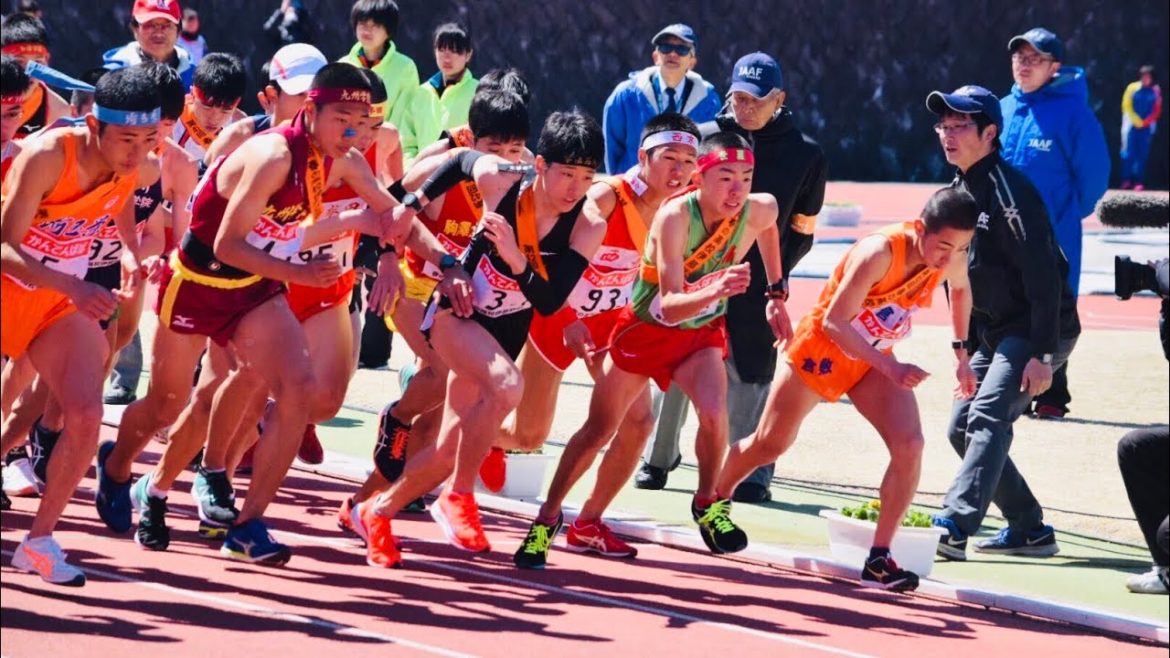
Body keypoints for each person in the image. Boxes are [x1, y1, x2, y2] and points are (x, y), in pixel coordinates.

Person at [95, 63, 412, 564]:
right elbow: (227, 244)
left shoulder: (345, 158)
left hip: (255, 289)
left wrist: (439, 255)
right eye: (342, 120)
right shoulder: (270, 155)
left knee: (299, 386)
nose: (352, 133)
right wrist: (304, 273)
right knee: (169, 403)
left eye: (362, 121)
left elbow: (392, 212)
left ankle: (248, 522)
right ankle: (117, 469)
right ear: (310, 110)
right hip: (200, 280)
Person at [513, 131, 794, 569]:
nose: (737, 189)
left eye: (746, 176)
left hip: (699, 335)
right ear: (700, 178)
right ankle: (547, 520)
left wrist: (775, 292)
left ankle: (706, 503)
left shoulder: (760, 206)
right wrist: (718, 286)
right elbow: (669, 304)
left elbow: (769, 226)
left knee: (713, 413)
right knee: (596, 430)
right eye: (725, 177)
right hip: (645, 330)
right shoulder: (673, 217)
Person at [351, 110, 608, 569]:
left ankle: (375, 510)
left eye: (587, 177)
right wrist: (413, 203)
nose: (575, 188)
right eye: (567, 174)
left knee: (448, 450)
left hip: (506, 330)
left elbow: (549, 301)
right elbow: (457, 161)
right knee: (509, 385)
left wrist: (514, 258)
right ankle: (459, 497)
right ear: (541, 165)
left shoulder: (588, 223)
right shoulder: (503, 179)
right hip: (456, 311)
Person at [715, 188, 980, 591]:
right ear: (920, 229)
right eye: (943, 245)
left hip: (871, 358)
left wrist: (961, 353)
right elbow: (835, 324)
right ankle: (714, 499)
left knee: (910, 444)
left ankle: (879, 556)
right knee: (769, 444)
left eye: (961, 247)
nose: (949, 257)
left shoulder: (952, 255)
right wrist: (891, 366)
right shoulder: (879, 253)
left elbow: (959, 289)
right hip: (821, 352)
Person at [501, 113, 700, 564]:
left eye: (689, 161)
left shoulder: (684, 204)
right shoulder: (606, 197)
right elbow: (551, 252)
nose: (679, 170)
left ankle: (587, 522)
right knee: (528, 434)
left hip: (611, 325)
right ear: (643, 157)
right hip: (559, 319)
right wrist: (567, 315)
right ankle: (458, 437)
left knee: (637, 423)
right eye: (670, 158)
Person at [635, 52, 827, 501]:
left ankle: (752, 470)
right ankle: (658, 457)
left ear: (779, 99)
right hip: (693, 277)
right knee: (678, 360)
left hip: (757, 283)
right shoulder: (701, 140)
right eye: (738, 97)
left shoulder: (806, 155)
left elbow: (801, 228)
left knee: (753, 370)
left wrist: (770, 281)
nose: (745, 107)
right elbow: (672, 206)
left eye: (756, 100)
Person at [338, 88, 531, 529]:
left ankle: (366, 502)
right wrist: (383, 262)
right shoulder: (440, 167)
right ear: (470, 139)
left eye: (513, 149)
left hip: (464, 291)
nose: (502, 160)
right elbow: (385, 210)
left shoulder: (524, 173)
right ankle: (399, 414)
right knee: (444, 374)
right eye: (492, 149)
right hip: (415, 282)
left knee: (447, 400)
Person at [1, 65, 160, 584]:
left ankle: (39, 541)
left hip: (52, 301)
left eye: (148, 139)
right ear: (94, 126)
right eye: (127, 139)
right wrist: (74, 285)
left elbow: (117, 212)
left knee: (86, 413)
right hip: (12, 286)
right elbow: (4, 245)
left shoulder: (135, 167)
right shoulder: (48, 156)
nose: (138, 152)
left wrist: (132, 257)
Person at [925, 84, 1080, 562]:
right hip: (992, 333)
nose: (948, 136)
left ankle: (955, 524)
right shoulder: (955, 193)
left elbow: (1046, 277)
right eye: (943, 127)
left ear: (990, 133)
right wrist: (962, 351)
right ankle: (1030, 528)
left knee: (989, 414)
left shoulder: (1012, 192)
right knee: (960, 427)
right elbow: (957, 280)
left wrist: (1045, 356)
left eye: (960, 127)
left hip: (1036, 326)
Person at [1000, 27, 1108, 420]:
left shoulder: (1073, 114)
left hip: (1054, 234)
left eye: (1035, 59)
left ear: (1055, 67)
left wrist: (1061, 214)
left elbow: (1094, 176)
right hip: (1002, 234)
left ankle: (1052, 394)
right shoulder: (1003, 108)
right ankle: (1006, 385)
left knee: (1053, 306)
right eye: (1019, 58)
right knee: (1004, 303)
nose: (1024, 66)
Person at [602, 23, 720, 175]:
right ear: (656, 57)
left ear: (692, 62)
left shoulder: (709, 101)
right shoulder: (625, 95)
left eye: (682, 49)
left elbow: (710, 152)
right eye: (665, 47)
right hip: (633, 190)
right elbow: (611, 149)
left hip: (682, 192)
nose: (673, 54)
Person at [399, 21, 477, 165]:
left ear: (468, 54)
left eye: (454, 51)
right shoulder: (421, 93)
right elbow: (406, 143)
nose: (447, 58)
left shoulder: (479, 93)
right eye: (441, 50)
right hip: (421, 179)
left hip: (461, 180)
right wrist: (412, 169)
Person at [339, 0, 418, 132]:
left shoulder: (405, 68)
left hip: (387, 146)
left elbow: (404, 117)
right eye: (362, 23)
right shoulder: (341, 67)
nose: (367, 30)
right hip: (347, 147)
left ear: (388, 31)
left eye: (375, 25)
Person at [0, 12, 70, 136]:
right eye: (19, 62)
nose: (29, 71)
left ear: (47, 61)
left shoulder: (58, 112)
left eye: (37, 62)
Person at [104, 0, 195, 90]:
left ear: (178, 31)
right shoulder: (112, 76)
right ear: (134, 29)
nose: (159, 34)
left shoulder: (194, 76)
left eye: (166, 26)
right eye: (149, 25)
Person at [1120, 65, 1162, 191]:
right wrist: (1136, 120)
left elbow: (1157, 109)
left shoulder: (1155, 90)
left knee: (1142, 155)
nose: (1145, 79)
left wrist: (1146, 121)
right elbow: (1126, 105)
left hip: (1146, 128)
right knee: (1128, 153)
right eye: (1143, 76)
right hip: (1131, 126)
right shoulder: (1132, 87)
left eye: (1148, 76)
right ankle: (1126, 180)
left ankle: (1139, 182)